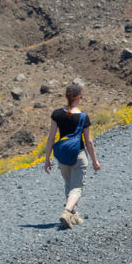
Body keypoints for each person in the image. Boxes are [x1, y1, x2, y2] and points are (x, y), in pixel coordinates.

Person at [44, 82, 101, 229]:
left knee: (69, 185)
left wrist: (47, 159)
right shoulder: (83, 117)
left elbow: (51, 138)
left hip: (62, 155)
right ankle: (67, 211)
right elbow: (88, 141)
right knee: (77, 187)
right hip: (78, 155)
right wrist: (95, 160)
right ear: (79, 97)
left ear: (66, 96)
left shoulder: (56, 114)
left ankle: (74, 216)